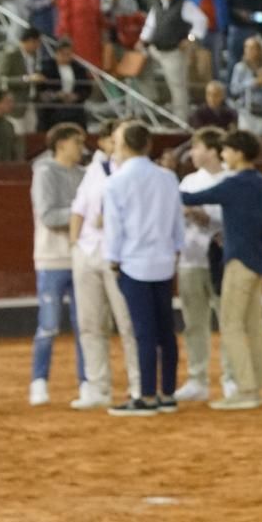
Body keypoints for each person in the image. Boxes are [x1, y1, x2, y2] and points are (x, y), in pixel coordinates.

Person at [177, 129, 262, 411]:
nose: (223, 155)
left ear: (238, 153)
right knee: (254, 326)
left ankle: (245, 389)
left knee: (231, 324)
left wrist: (162, 182)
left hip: (237, 261)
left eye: (227, 150)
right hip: (257, 260)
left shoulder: (234, 183)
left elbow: (191, 197)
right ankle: (254, 386)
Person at [102, 120, 184, 416]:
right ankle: (167, 393)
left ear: (123, 145)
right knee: (165, 330)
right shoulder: (167, 177)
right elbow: (177, 221)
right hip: (163, 261)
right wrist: (176, 250)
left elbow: (114, 228)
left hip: (134, 263)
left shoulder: (116, 182)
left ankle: (146, 395)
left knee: (144, 332)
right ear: (148, 145)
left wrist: (113, 260)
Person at [69, 122, 142, 409]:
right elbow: (78, 208)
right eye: (112, 141)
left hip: (120, 254)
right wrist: (75, 245)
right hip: (88, 251)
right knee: (89, 324)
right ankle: (97, 386)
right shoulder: (95, 170)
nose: (115, 146)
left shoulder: (135, 174)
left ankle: (139, 385)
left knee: (128, 323)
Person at [172, 127, 233, 403]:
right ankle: (197, 379)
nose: (192, 153)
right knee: (193, 322)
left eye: (197, 148)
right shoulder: (188, 181)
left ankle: (231, 378)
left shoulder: (230, 179)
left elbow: (231, 221)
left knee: (228, 321)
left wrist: (204, 218)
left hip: (220, 259)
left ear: (211, 150)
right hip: (191, 257)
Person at [30, 122, 87, 407]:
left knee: (84, 326)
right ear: (61, 144)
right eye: (77, 143)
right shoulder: (44, 172)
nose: (82, 148)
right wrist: (81, 215)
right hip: (52, 258)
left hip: (79, 258)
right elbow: (49, 217)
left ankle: (86, 382)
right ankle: (39, 381)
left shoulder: (84, 174)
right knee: (49, 325)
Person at [140, 0, 209, 122]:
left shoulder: (185, 5)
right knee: (141, 69)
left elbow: (202, 21)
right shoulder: (157, 5)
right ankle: (151, 102)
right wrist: (142, 40)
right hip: (156, 50)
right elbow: (150, 26)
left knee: (178, 87)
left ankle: (181, 120)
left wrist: (190, 39)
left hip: (174, 52)